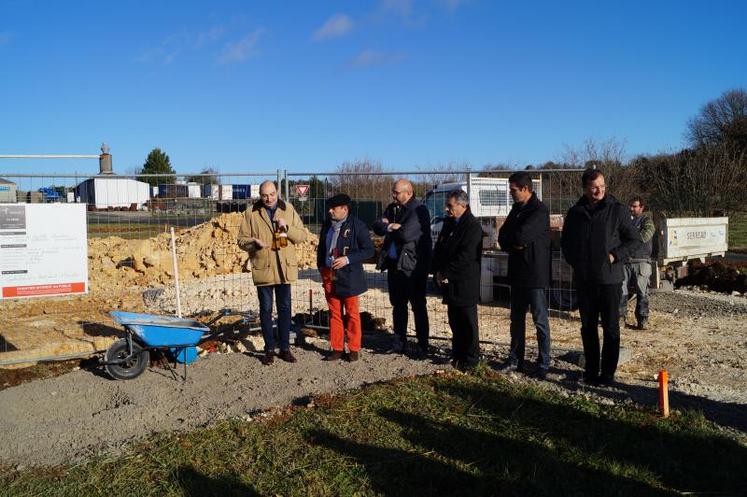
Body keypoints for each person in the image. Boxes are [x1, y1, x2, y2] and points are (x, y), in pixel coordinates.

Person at [561, 169, 640, 385]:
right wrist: (575, 261)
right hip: (585, 279)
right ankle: (591, 371)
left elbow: (634, 240)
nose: (600, 190)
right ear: (585, 188)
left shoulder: (617, 210)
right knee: (587, 327)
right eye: (595, 186)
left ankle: (608, 374)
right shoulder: (576, 213)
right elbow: (565, 242)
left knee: (611, 328)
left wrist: (615, 255)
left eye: (603, 186)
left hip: (609, 279)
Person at [237, 180, 307, 366]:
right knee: (266, 311)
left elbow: (302, 236)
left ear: (277, 192)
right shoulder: (251, 213)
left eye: (272, 194)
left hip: (284, 269)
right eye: (264, 195)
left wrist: (287, 227)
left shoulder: (288, 209)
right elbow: (241, 241)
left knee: (285, 311)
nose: (269, 199)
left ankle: (285, 348)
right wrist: (254, 243)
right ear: (260, 195)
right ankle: (269, 350)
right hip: (264, 269)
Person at [498, 172, 552, 379]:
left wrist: (515, 240)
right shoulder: (516, 210)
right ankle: (515, 359)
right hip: (517, 272)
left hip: (534, 273)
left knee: (540, 320)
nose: (511, 194)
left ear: (525, 189)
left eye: (513, 190)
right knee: (516, 319)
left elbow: (521, 236)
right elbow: (503, 237)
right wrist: (515, 243)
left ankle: (544, 363)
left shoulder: (539, 211)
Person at [372, 179, 432, 357]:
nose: (393, 195)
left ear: (408, 192)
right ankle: (399, 341)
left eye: (396, 192)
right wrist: (391, 225)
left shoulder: (418, 210)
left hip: (412, 267)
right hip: (394, 265)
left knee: (418, 306)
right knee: (398, 305)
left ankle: (422, 345)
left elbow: (406, 234)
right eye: (393, 192)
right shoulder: (393, 208)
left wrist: (389, 226)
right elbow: (377, 226)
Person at [316, 193, 375, 362]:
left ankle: (354, 348)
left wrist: (348, 259)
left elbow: (369, 250)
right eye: (329, 208)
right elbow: (322, 248)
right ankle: (337, 348)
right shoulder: (327, 225)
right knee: (334, 313)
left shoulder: (358, 226)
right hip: (329, 274)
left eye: (333, 208)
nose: (330, 211)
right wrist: (322, 267)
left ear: (344, 209)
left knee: (351, 312)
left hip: (349, 275)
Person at [432, 189, 483, 370]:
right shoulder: (449, 223)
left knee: (467, 322)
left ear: (463, 205)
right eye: (447, 205)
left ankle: (471, 359)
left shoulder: (472, 226)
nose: (446, 209)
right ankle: (457, 354)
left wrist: (446, 272)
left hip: (464, 281)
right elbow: (440, 248)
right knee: (454, 320)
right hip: (449, 281)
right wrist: (438, 270)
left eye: (450, 206)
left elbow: (466, 256)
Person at [620, 196, 656, 330]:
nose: (631, 208)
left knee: (642, 293)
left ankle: (642, 320)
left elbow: (646, 235)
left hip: (642, 261)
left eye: (634, 206)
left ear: (642, 207)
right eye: (630, 205)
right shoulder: (625, 221)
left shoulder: (647, 221)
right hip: (625, 261)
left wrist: (630, 240)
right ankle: (620, 319)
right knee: (621, 291)